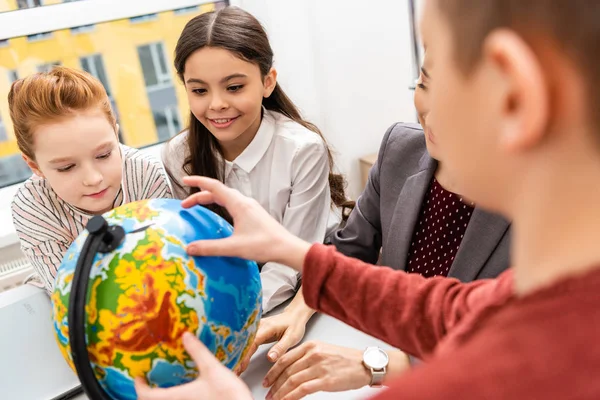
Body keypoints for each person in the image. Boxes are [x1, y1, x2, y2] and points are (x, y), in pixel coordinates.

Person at [136, 0, 600, 398]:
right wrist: (291, 251)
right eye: (421, 79)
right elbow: (454, 310)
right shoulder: (547, 288)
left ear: (518, 97)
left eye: (441, 76)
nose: (424, 108)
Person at [233, 49, 512, 397]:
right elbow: (349, 250)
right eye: (425, 84)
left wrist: (375, 365)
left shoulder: (550, 211)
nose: (434, 118)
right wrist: (297, 310)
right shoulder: (402, 149)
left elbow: (511, 350)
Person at [161, 6, 353, 313]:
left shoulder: (302, 150)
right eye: (199, 90)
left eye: (234, 87)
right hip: (233, 293)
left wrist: (237, 313)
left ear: (267, 81)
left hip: (303, 286)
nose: (217, 104)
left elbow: (292, 260)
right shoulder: (178, 155)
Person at [9, 67, 172, 293]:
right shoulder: (32, 206)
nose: (94, 179)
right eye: (66, 167)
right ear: (35, 166)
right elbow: (71, 293)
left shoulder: (144, 173)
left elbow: (170, 260)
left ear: (116, 135)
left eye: (104, 155)